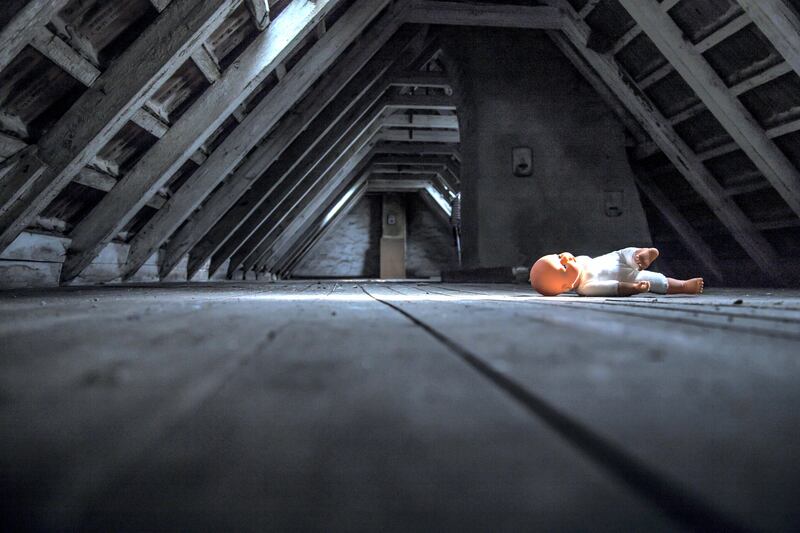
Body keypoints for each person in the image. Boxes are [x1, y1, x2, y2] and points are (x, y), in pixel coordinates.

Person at [530, 247, 704, 297]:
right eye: (564, 267)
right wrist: (633, 287)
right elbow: (613, 287)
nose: (566, 258)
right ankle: (683, 286)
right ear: (567, 286)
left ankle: (641, 255)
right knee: (658, 282)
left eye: (559, 255)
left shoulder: (579, 262)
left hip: (617, 259)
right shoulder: (586, 287)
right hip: (629, 277)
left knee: (628, 254)